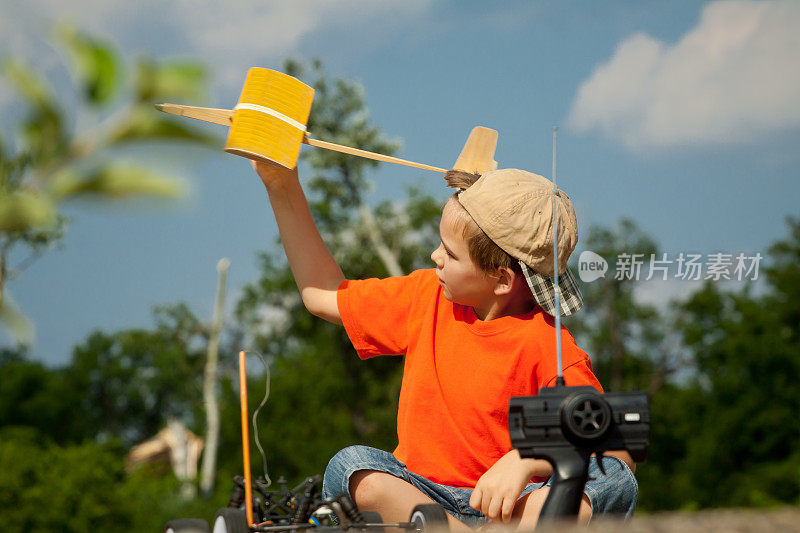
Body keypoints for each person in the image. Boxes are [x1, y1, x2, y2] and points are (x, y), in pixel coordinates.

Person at [252, 161, 638, 530]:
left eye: (450, 253)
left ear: (501, 279)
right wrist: (281, 184)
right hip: (419, 500)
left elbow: (618, 454)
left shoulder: (549, 347)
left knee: (614, 480)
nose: (434, 257)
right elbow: (322, 295)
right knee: (351, 467)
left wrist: (526, 461)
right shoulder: (427, 296)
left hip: (509, 513)